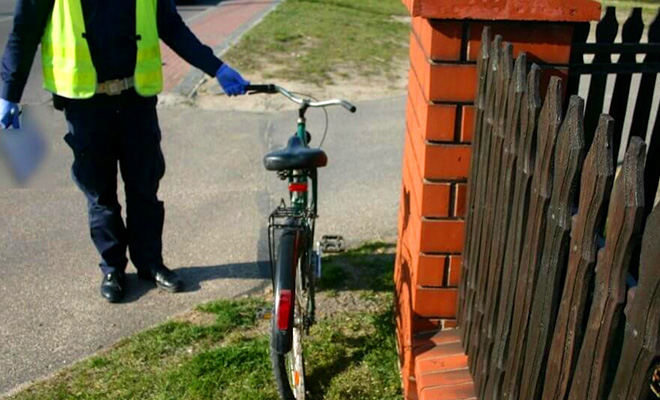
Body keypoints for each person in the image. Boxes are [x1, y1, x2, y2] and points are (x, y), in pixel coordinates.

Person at [0, 0, 250, 303]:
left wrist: (216, 68)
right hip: (86, 105)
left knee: (144, 187)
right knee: (100, 193)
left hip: (136, 99)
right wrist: (8, 93)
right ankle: (113, 268)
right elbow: (24, 32)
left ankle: (150, 263)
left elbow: (171, 26)